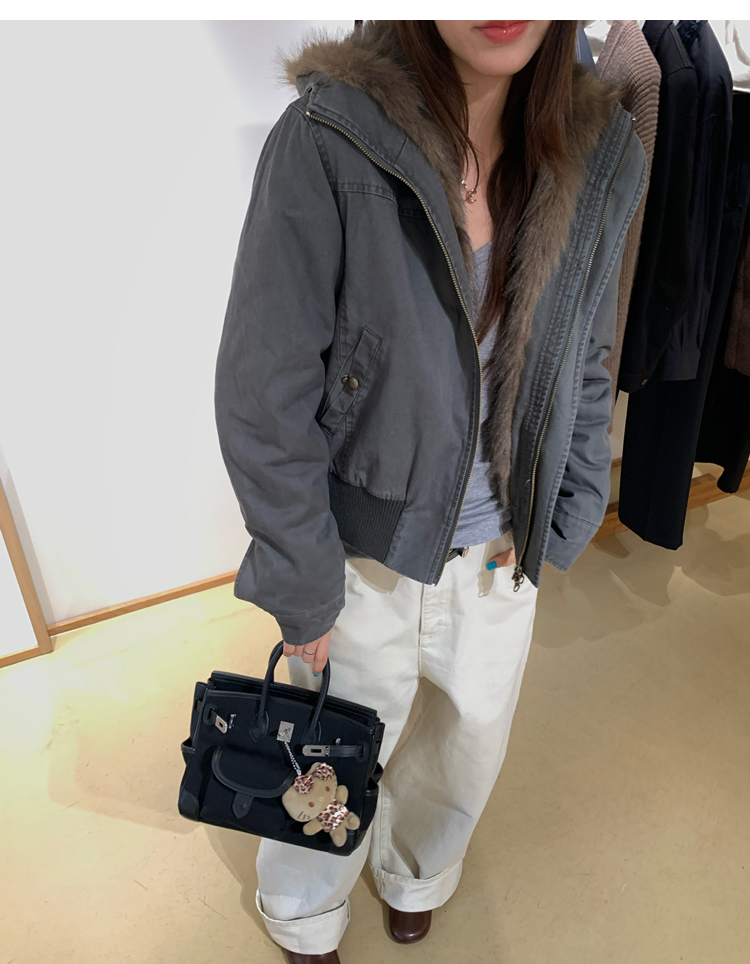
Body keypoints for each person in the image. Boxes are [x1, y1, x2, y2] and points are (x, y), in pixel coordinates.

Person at [214, 19, 647, 964]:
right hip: (360, 551)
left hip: (499, 546)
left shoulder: (597, 149)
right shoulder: (331, 136)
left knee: (466, 743)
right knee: (327, 748)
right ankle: (305, 907)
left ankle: (416, 872)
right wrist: (301, 578)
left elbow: (586, 352)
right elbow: (263, 387)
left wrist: (565, 506)